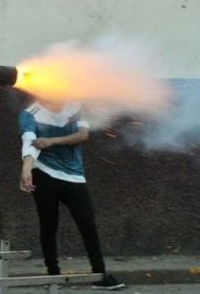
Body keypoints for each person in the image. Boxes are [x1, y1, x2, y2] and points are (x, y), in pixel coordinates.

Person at [18, 97, 125, 290]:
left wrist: (52, 140)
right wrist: (26, 170)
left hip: (74, 177)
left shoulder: (76, 106)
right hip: (43, 174)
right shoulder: (29, 114)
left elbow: (83, 135)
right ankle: (53, 276)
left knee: (88, 226)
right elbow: (28, 142)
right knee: (49, 226)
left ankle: (100, 275)